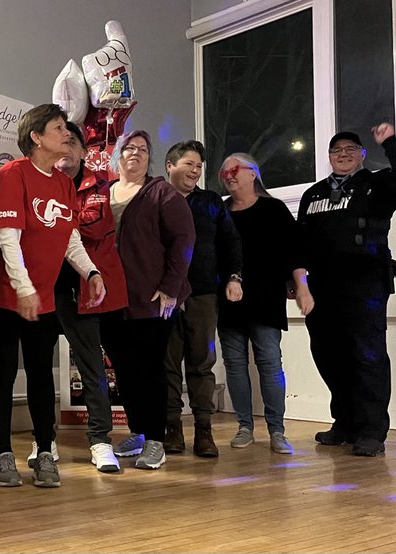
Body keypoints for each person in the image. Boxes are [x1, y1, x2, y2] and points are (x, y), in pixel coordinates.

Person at [0, 103, 106, 488]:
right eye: (58, 128)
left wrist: (91, 271)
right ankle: (4, 453)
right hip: (7, 298)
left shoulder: (64, 183)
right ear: (36, 137)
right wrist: (24, 288)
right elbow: (8, 238)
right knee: (3, 372)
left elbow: (69, 238)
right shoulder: (13, 174)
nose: (67, 134)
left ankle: (45, 450)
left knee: (40, 375)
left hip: (45, 299)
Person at [297, 124, 396, 457]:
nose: (343, 154)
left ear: (362, 154)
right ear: (328, 157)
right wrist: (296, 282)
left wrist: (391, 142)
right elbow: (299, 242)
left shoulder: (376, 184)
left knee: (367, 358)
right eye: (336, 150)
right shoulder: (313, 195)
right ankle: (345, 423)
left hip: (365, 286)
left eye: (350, 149)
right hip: (321, 289)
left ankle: (371, 431)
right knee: (330, 357)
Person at [100, 130, 195, 471]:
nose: (136, 154)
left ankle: (156, 440)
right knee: (124, 371)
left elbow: (184, 240)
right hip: (111, 300)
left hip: (151, 298)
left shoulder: (162, 193)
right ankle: (138, 432)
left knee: (151, 369)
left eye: (143, 149)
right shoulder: (104, 192)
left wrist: (170, 287)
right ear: (118, 155)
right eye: (129, 148)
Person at [216, 153, 310, 455]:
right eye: (223, 172)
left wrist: (301, 288)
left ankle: (276, 430)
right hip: (229, 299)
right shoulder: (221, 211)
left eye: (234, 169)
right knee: (234, 365)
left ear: (253, 174)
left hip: (266, 298)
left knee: (270, 364)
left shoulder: (274, 209)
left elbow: (294, 252)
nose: (228, 176)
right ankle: (244, 426)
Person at [51, 121, 125, 473]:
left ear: (83, 151)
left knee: (92, 365)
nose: (65, 149)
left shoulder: (99, 185)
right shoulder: (40, 182)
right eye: (59, 142)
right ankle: (42, 441)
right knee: (35, 362)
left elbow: (90, 225)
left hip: (85, 284)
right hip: (42, 283)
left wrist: (52, 223)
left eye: (72, 143)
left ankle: (100, 440)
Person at [161, 141, 243, 457]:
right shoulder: (155, 198)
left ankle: (204, 432)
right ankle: (172, 431)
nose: (195, 171)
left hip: (204, 295)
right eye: (188, 164)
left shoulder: (210, 202)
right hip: (164, 297)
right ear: (170, 166)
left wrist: (234, 277)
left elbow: (230, 241)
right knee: (167, 365)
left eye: (199, 166)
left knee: (202, 364)